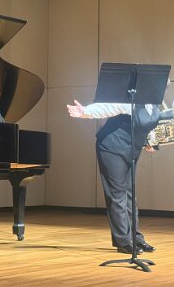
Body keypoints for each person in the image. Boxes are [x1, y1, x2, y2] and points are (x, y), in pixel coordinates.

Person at [67, 100, 160, 254]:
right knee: (117, 195)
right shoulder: (130, 99)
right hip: (111, 147)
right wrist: (85, 112)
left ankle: (136, 238)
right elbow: (108, 107)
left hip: (132, 150)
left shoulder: (155, 105)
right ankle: (123, 242)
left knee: (130, 195)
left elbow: (147, 125)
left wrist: (150, 141)